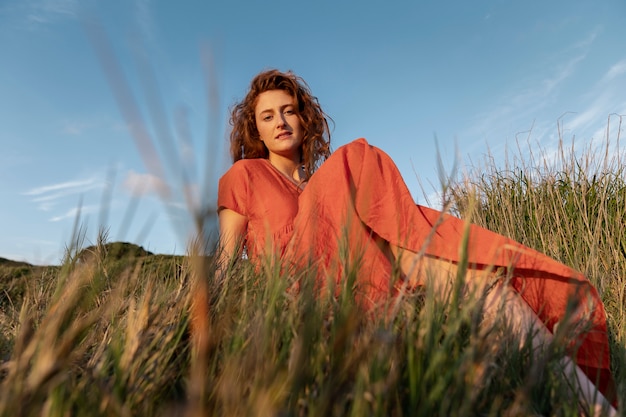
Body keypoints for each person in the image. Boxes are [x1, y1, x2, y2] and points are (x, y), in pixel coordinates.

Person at [217, 69, 618, 414]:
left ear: (304, 118)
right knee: (351, 158)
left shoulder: (323, 185)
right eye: (267, 116)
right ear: (256, 128)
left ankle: (591, 405)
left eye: (288, 111)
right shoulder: (244, 176)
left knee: (484, 285)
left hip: (353, 268)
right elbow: (225, 263)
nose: (281, 121)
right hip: (297, 288)